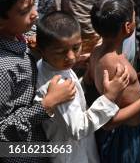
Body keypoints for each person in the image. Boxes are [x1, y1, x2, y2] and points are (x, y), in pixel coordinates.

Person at [35, 11, 130, 163]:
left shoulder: (48, 66)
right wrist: (109, 97)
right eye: (61, 52)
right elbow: (78, 128)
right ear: (41, 51)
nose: (71, 57)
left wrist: (82, 80)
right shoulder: (57, 86)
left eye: (76, 48)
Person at [0, 0, 76, 149]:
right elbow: (3, 132)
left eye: (33, 5)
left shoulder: (22, 39)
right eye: (24, 11)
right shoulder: (3, 68)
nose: (34, 14)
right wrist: (48, 104)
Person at [88, 0, 140, 163]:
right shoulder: (114, 64)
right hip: (123, 137)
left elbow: (121, 87)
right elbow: (109, 121)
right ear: (127, 27)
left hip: (128, 132)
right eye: (134, 17)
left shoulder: (99, 52)